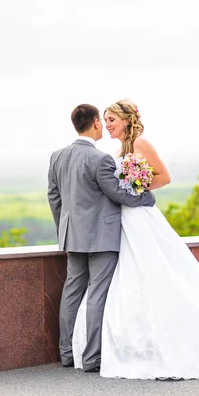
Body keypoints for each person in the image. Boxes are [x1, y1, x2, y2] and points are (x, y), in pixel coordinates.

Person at [72, 99, 199, 379]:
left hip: (139, 216)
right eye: (105, 121)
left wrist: (137, 187)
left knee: (151, 272)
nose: (107, 125)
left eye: (112, 120)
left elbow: (164, 177)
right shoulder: (118, 150)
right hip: (123, 220)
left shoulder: (141, 144)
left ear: (128, 120)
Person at [47, 103, 156, 373]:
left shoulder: (57, 156)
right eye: (103, 121)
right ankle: (93, 357)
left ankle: (67, 354)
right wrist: (146, 197)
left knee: (72, 292)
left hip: (73, 236)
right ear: (95, 123)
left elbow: (54, 197)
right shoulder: (100, 159)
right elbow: (116, 193)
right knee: (97, 294)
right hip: (102, 238)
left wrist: (65, 229)